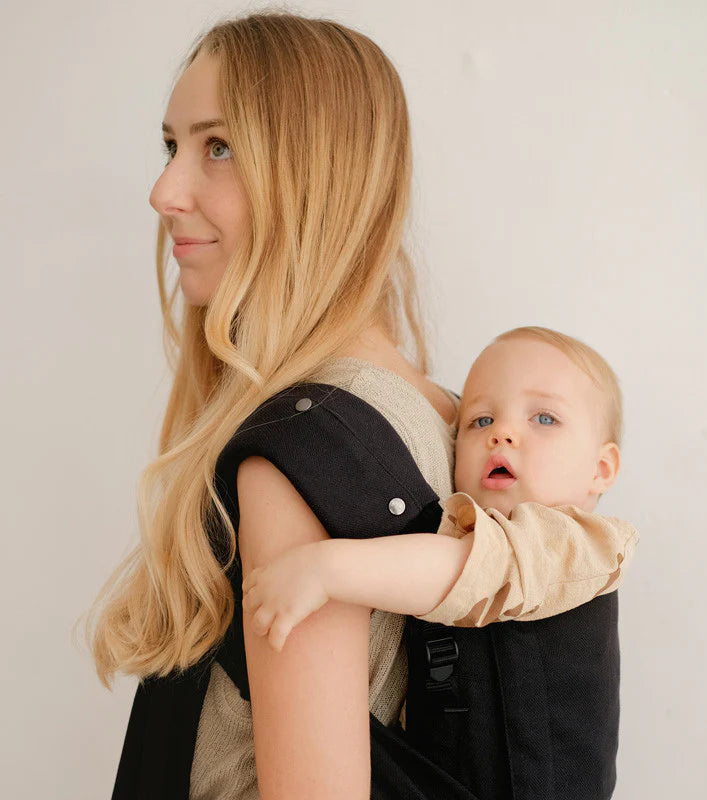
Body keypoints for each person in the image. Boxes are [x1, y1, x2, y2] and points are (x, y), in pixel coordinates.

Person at [86, 11, 635, 800]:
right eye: (171, 146)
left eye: (220, 146)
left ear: (316, 175)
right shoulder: (447, 417)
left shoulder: (302, 457)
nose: (164, 190)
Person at [241, 326, 639, 656]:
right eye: (481, 420)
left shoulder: (582, 546)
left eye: (545, 418)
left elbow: (467, 567)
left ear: (601, 470)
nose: (503, 432)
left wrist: (325, 569)